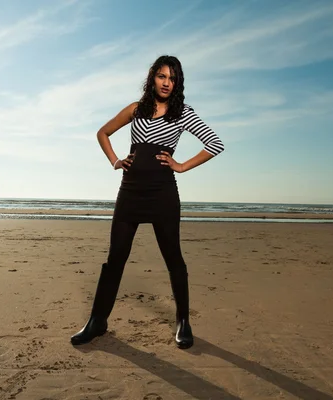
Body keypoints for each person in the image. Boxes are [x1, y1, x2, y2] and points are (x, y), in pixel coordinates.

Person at [70, 55, 224, 349]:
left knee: (173, 258)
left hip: (163, 195)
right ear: (152, 78)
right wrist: (115, 160)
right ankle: (97, 321)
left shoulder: (183, 113)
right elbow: (102, 133)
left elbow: (215, 144)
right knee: (115, 259)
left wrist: (181, 165)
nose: (167, 83)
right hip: (129, 193)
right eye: (162, 76)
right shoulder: (135, 109)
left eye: (172, 78)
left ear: (177, 83)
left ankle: (183, 321)